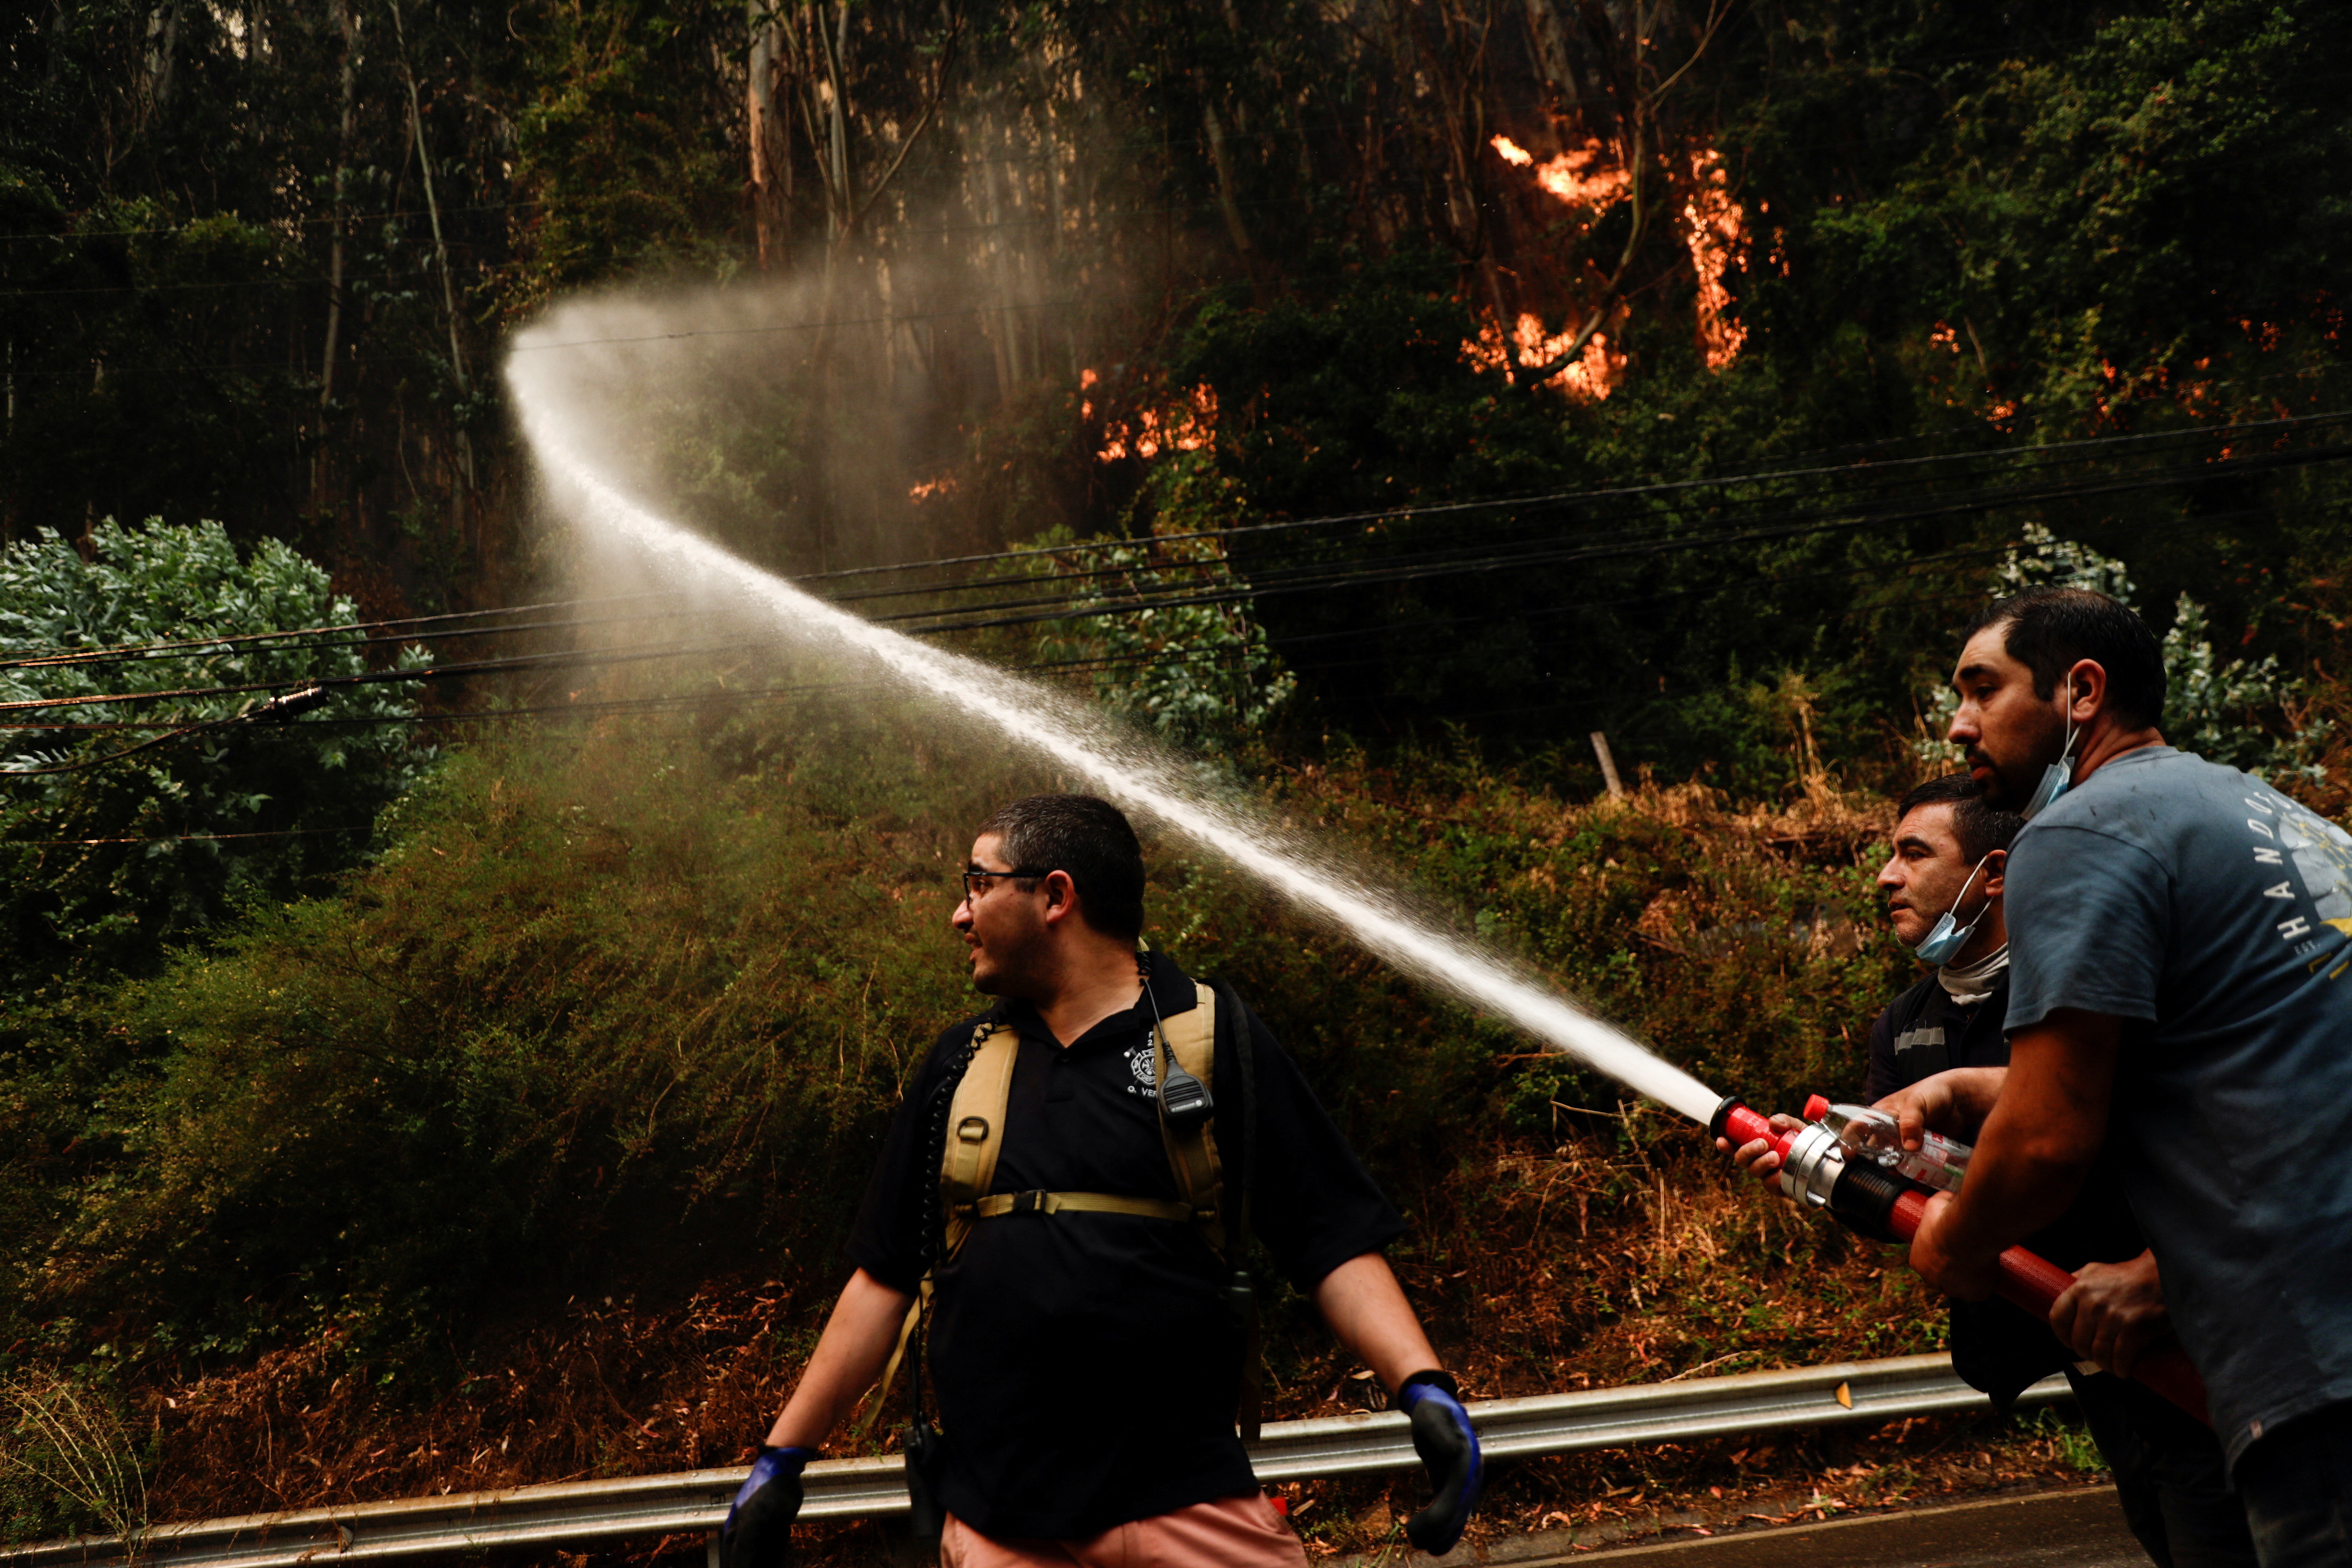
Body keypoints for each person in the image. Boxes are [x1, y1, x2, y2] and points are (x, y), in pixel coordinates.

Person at [719, 794, 1482, 1568]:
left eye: (978, 884)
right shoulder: (959, 1066)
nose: (960, 913)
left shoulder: (1214, 1040)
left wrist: (1422, 1390)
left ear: (1054, 895)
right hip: (1000, 1528)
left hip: (1194, 1509)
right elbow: (883, 1277)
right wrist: (781, 1465)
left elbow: (1330, 1239)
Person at [1907, 586, 2352, 1568]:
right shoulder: (2272, 815)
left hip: (2316, 1375)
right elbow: (2267, 1060)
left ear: (2081, 690)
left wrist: (1961, 1240)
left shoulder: (2076, 833)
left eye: (1982, 688)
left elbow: (2048, 1141)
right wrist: (1959, 1092)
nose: (1958, 723)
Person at [1721, 772, 2254, 1568]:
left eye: (1913, 853)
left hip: (2189, 1329)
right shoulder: (1904, 1026)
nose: (1885, 877)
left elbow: (2174, 1125)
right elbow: (1912, 1203)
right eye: (1886, 856)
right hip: (2086, 1353)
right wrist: (1819, 1168)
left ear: (1994, 873)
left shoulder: (2078, 985)